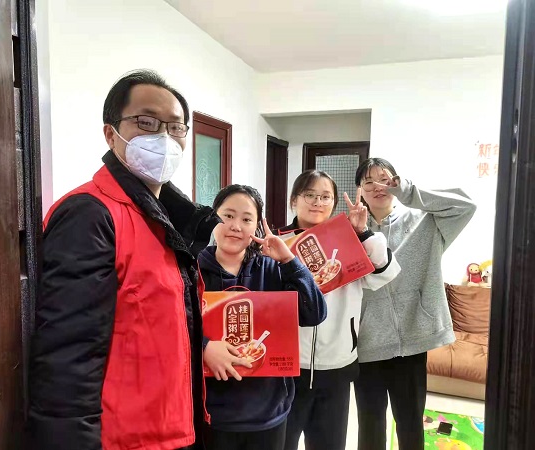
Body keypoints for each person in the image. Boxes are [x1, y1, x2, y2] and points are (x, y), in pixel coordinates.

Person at [27, 70, 220, 450]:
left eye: (175, 127)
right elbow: (68, 354)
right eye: (146, 122)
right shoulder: (91, 214)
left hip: (169, 430)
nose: (163, 138)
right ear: (110, 133)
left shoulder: (166, 220)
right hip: (121, 439)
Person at [353, 157, 477, 450]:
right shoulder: (350, 233)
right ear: (359, 190)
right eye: (368, 182)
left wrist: (409, 192)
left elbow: (466, 206)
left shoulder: (425, 221)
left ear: (396, 182)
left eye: (385, 179)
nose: (377, 187)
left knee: (410, 423)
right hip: (367, 343)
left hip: (412, 341)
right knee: (369, 425)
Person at [278, 170, 401, 450]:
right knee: (282, 442)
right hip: (288, 367)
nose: (317, 202)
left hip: (337, 365)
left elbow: (385, 274)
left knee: (329, 443)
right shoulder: (278, 244)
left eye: (325, 197)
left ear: (333, 203)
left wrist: (363, 233)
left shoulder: (349, 240)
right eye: (309, 195)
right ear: (294, 200)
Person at [199, 184, 327, 450]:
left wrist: (289, 261)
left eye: (247, 219)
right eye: (228, 215)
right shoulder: (192, 269)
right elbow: (173, 324)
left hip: (268, 414)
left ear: (256, 227)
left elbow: (314, 313)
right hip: (211, 414)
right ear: (213, 218)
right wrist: (204, 346)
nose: (236, 226)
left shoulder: (272, 269)